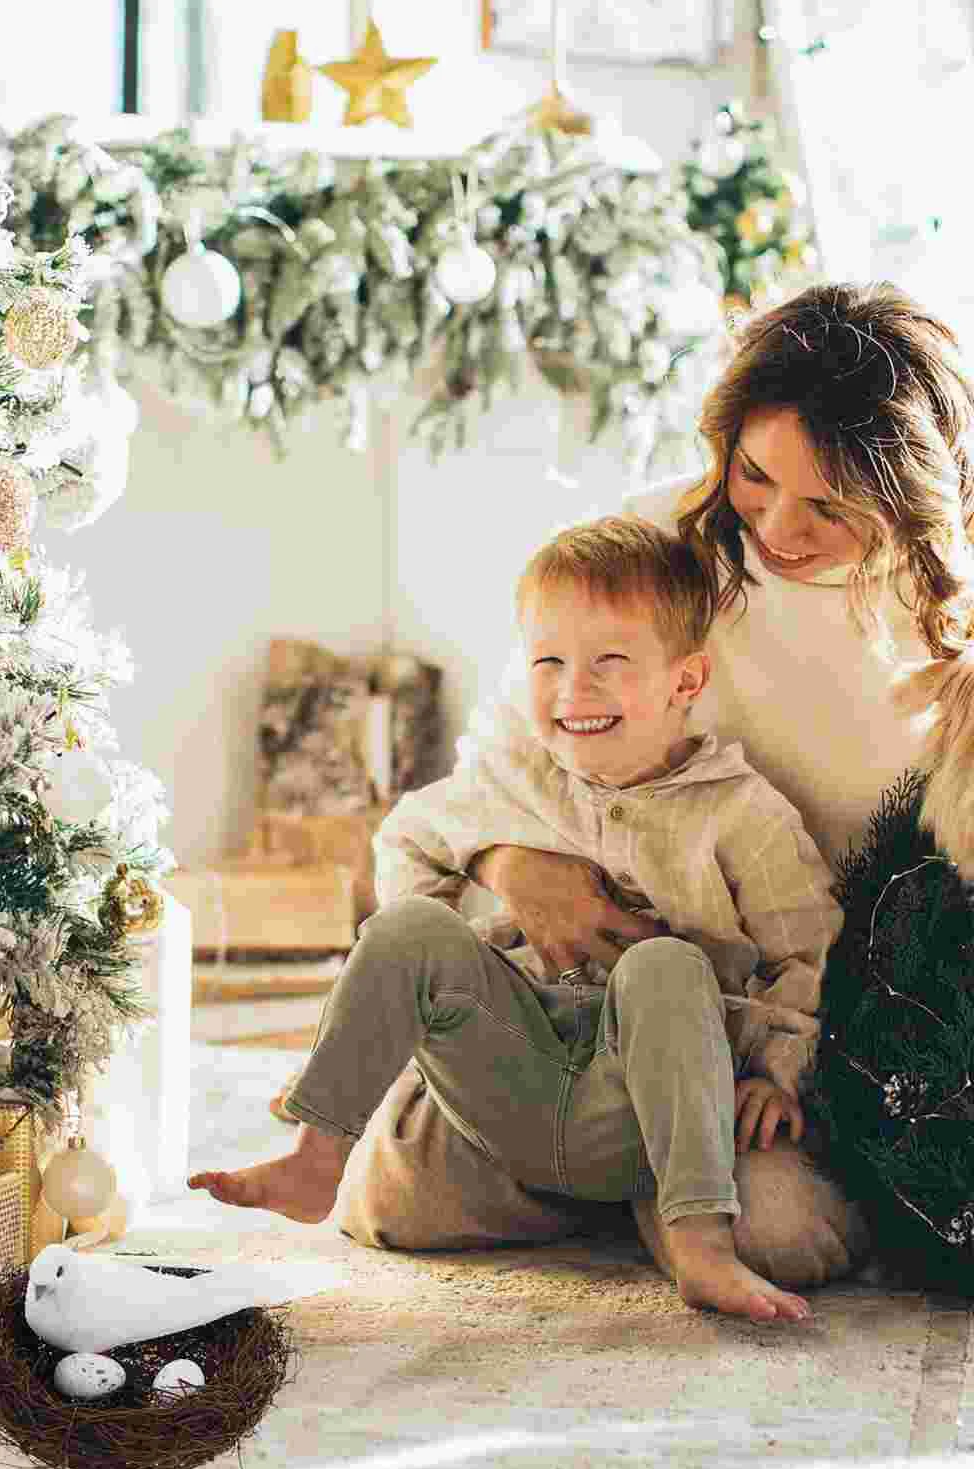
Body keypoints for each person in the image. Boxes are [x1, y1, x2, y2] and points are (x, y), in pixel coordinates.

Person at [263, 281, 974, 1292]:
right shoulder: (657, 543)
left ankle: (648, 1181)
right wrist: (512, 864)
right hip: (583, 989)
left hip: (767, 1006)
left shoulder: (942, 610)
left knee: (782, 1233)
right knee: (392, 1206)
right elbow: (507, 748)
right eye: (755, 474)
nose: (778, 524)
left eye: (828, 504)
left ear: (909, 495)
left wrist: (782, 1072)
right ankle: (594, 1158)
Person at [192, 513, 840, 1322]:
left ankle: (698, 1241)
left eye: (610, 663)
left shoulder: (741, 814)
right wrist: (484, 866)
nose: (575, 691)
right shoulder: (511, 781)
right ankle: (315, 1155)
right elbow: (405, 844)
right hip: (519, 1066)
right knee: (406, 934)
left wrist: (779, 1073)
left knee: (667, 968)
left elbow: (809, 952)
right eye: (549, 663)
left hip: (651, 1099)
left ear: (686, 682)